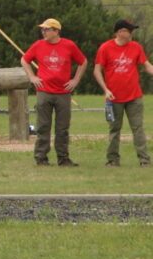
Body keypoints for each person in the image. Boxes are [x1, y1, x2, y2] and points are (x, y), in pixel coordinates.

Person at [21, 18, 88, 167]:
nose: (43, 32)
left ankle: (63, 158)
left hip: (63, 92)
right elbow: (24, 60)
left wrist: (75, 80)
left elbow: (83, 61)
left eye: (46, 29)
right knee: (43, 126)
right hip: (44, 91)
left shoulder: (69, 45)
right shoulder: (38, 45)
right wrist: (32, 77)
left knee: (62, 128)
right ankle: (41, 157)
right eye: (42, 29)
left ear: (56, 31)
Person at [93, 20, 152, 167]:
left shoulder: (136, 47)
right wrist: (106, 89)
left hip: (134, 96)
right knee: (114, 129)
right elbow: (97, 70)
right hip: (113, 98)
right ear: (119, 32)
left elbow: (147, 66)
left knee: (137, 128)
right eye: (128, 30)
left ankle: (144, 160)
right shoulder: (105, 48)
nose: (131, 33)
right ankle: (113, 159)